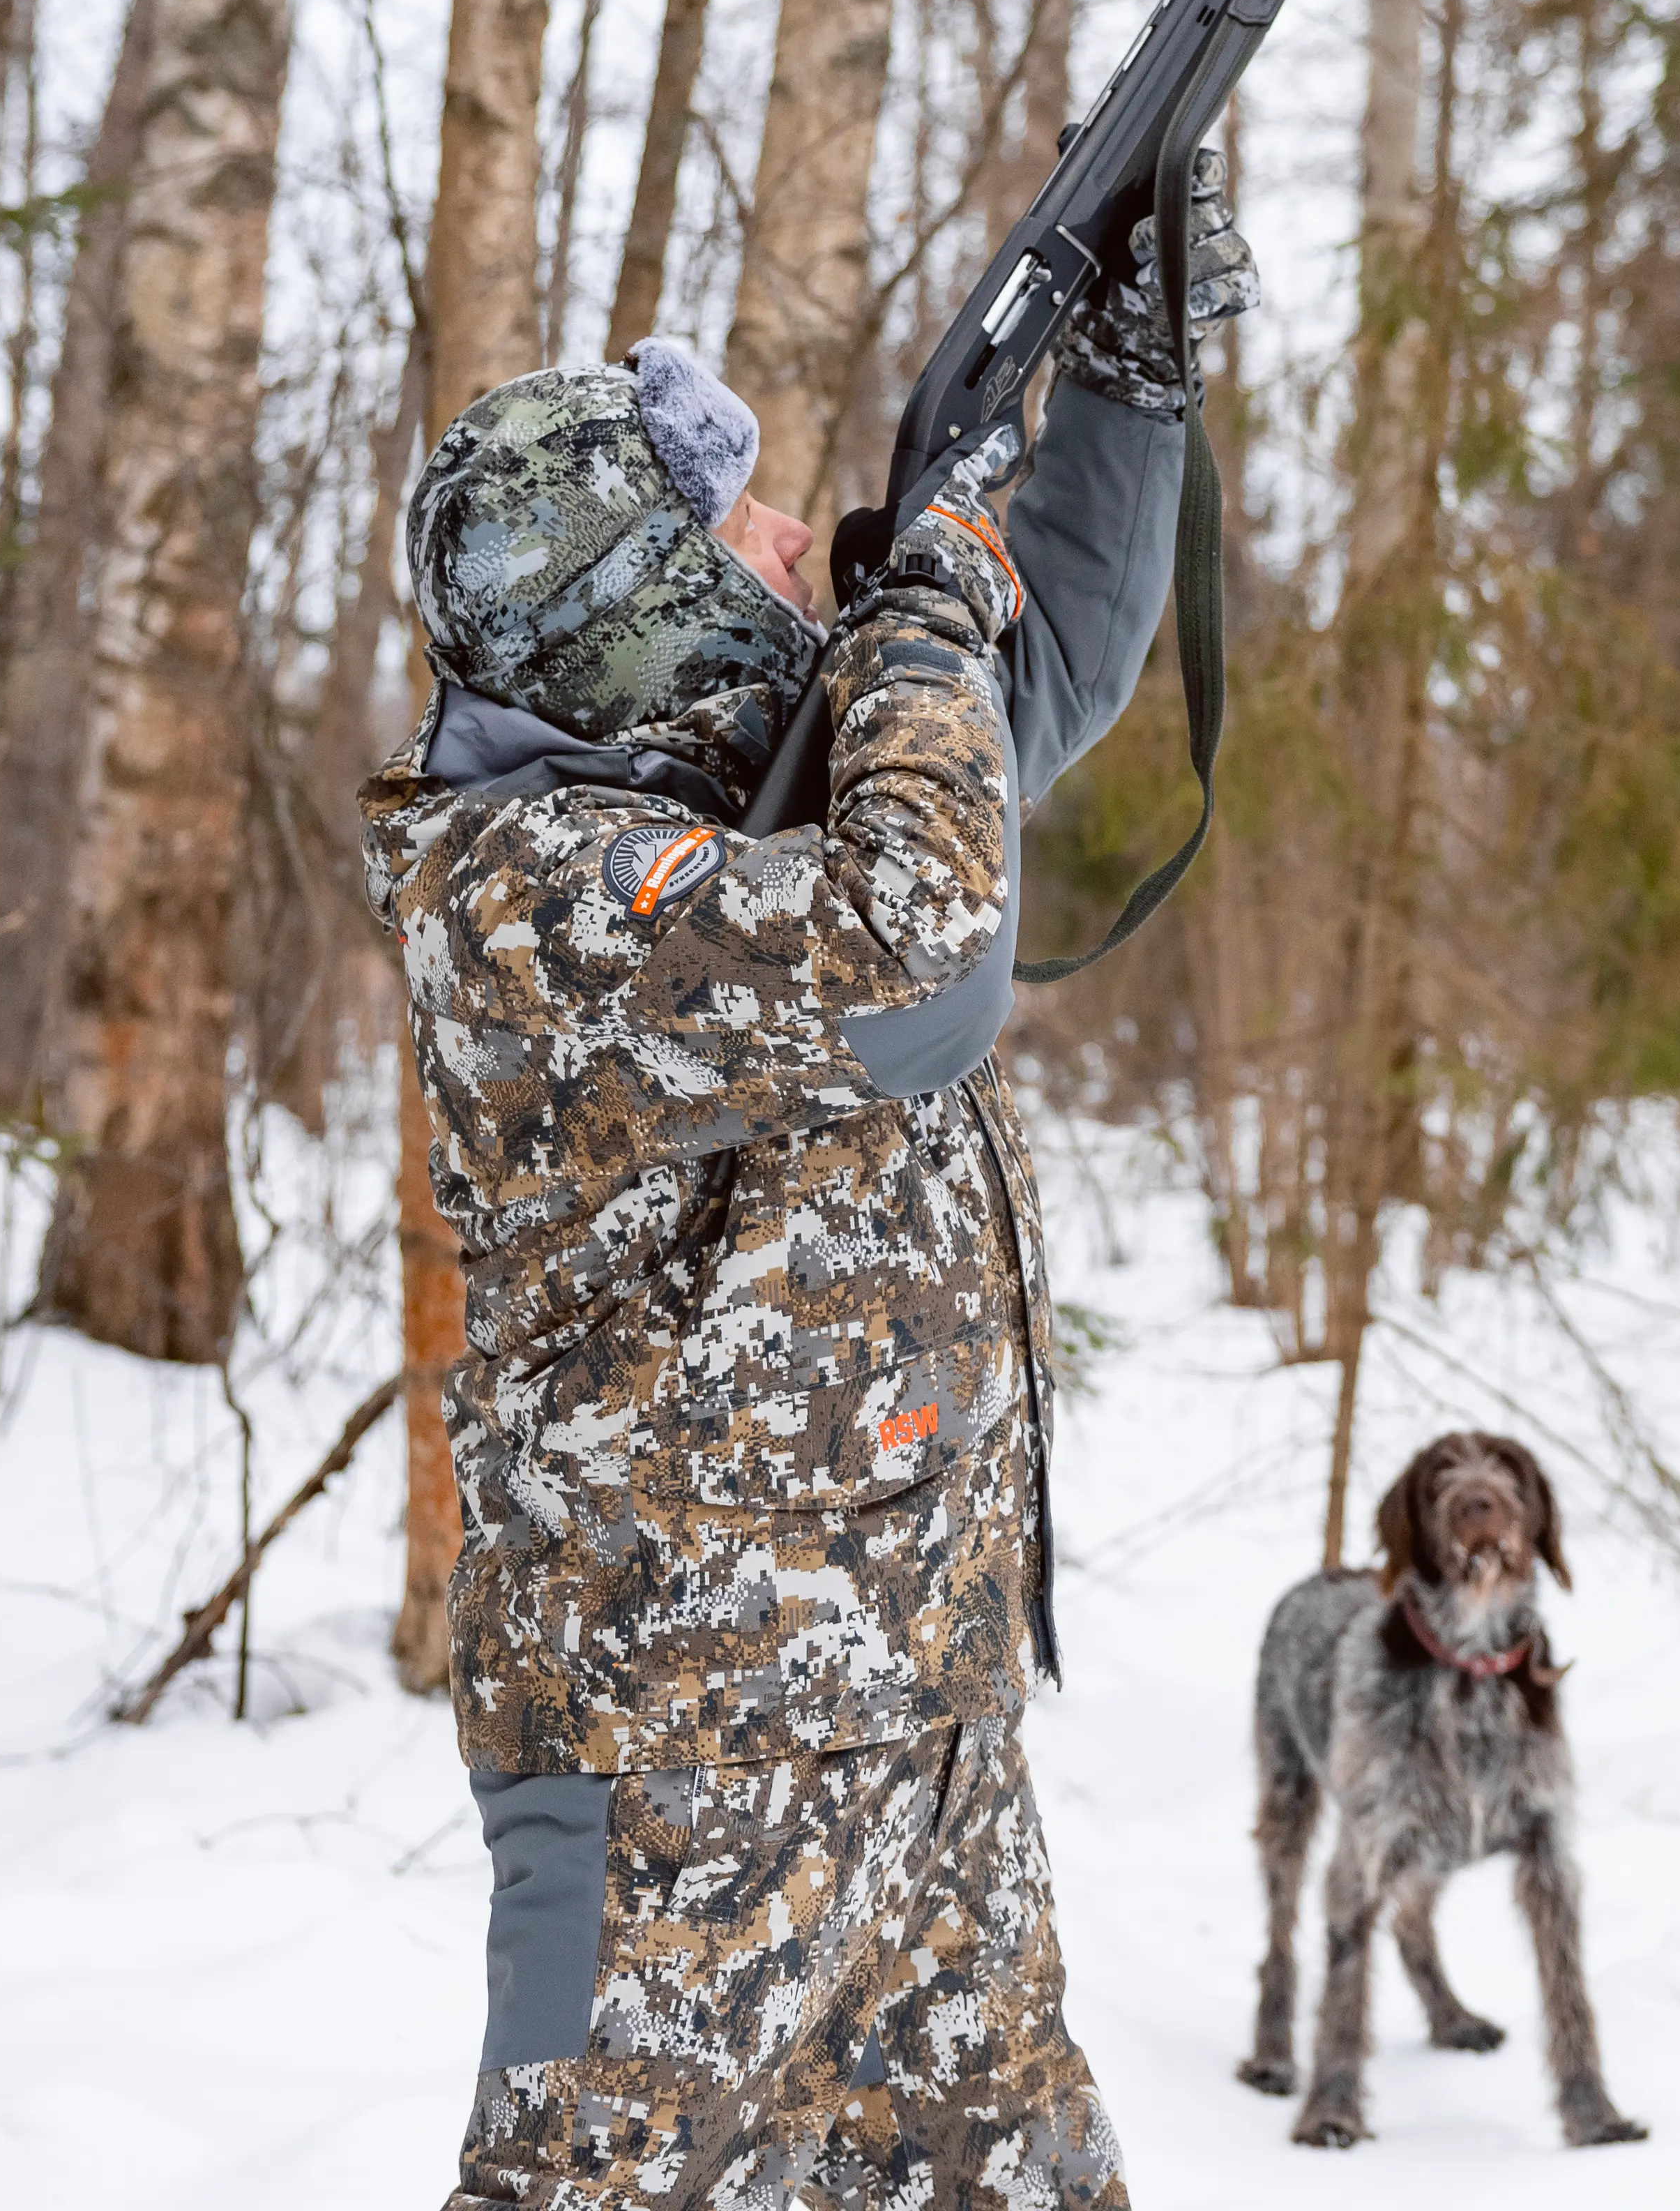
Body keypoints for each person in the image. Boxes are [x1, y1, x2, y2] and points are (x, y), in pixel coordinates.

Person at [362, 160, 1257, 2211]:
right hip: (679, 1793)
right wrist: (924, 597)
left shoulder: (787, 772)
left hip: (923, 1739)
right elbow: (919, 963)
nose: (794, 539)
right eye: (734, 525)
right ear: (633, 613)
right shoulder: (522, 898)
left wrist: (1129, 378)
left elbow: (1058, 673)